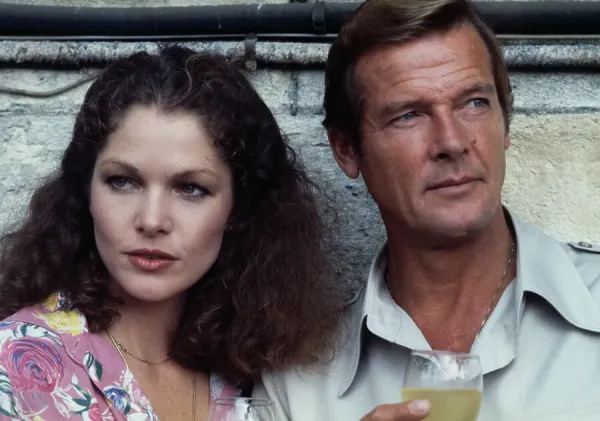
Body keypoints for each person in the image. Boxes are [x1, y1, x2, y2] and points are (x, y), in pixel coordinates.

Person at [253, 0, 600, 420]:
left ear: (505, 121)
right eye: (409, 115)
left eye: (474, 103)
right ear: (347, 150)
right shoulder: (297, 382)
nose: (452, 142)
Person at [0, 46, 346, 421]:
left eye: (191, 188)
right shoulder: (16, 366)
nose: (152, 220)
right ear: (85, 192)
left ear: (238, 209)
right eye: (122, 182)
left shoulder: (254, 372)